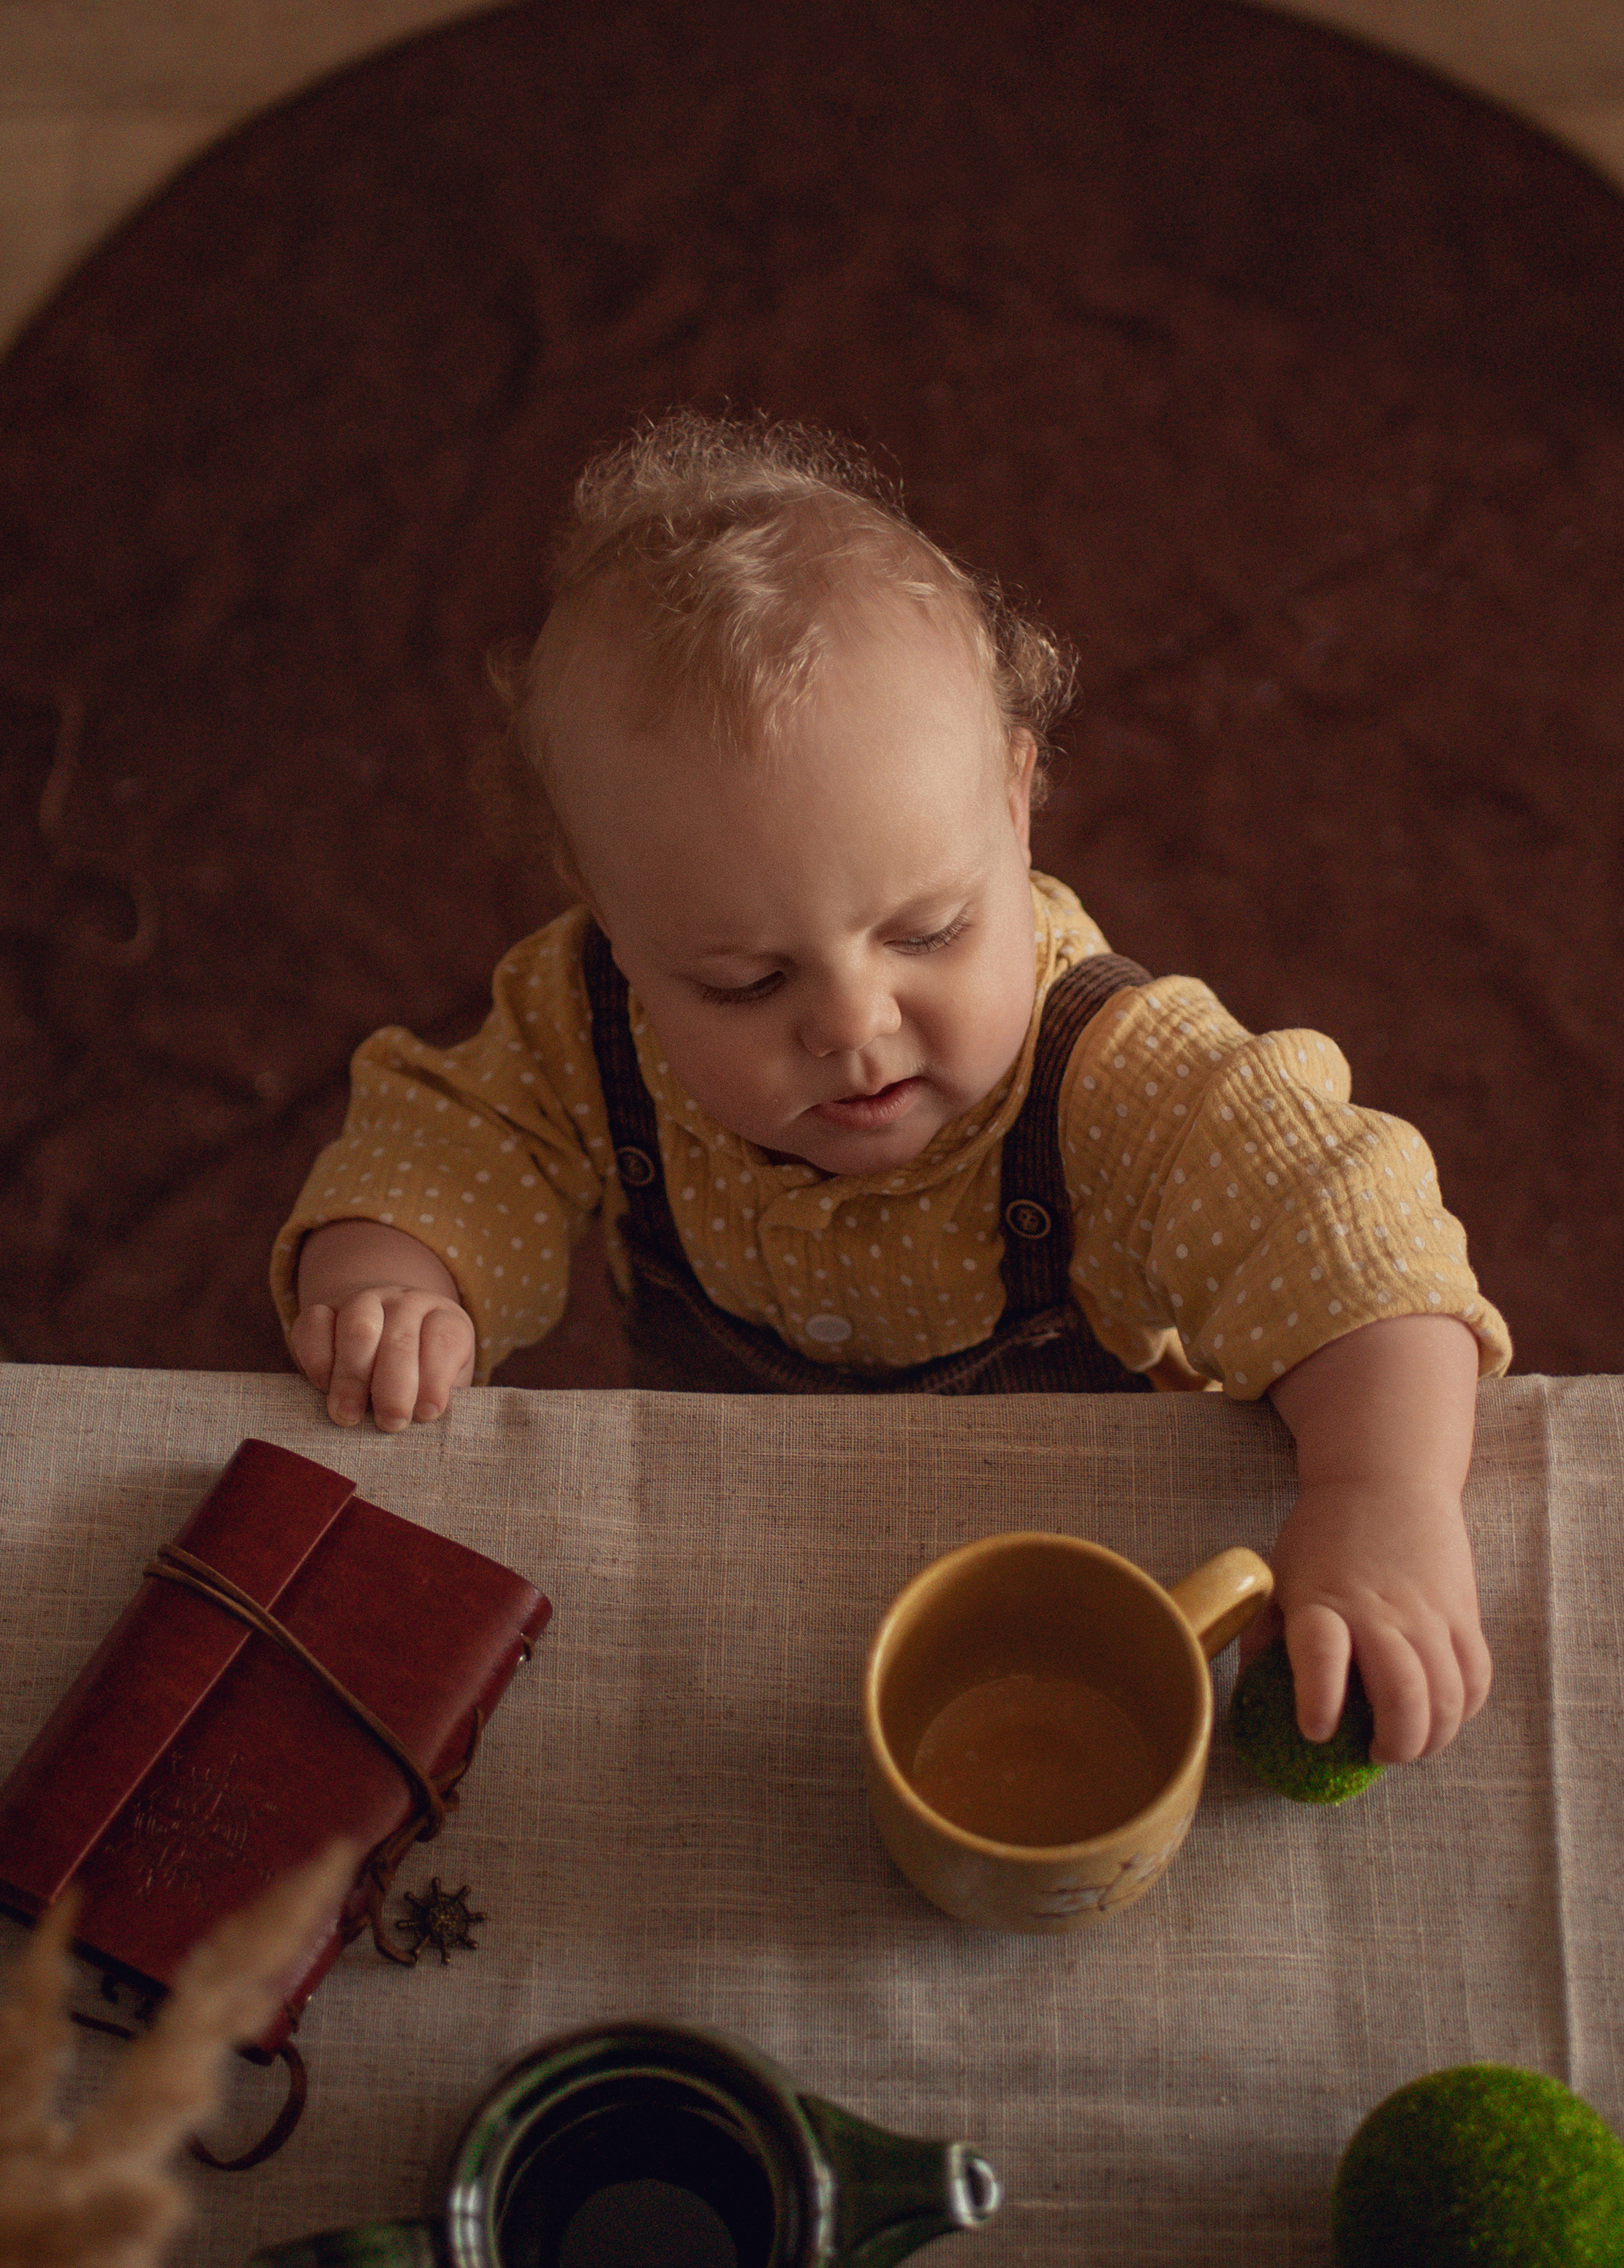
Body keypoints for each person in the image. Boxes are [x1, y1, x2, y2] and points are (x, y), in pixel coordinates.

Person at [271, 413, 1509, 1766]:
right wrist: (397, 1273)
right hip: (735, 1547)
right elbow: (457, 1136)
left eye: (928, 932)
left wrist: (1381, 1493)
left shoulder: (1113, 1077)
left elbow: (1349, 1236)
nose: (856, 1029)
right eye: (746, 982)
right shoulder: (587, 1015)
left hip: (1076, 1579)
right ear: (609, 913)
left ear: (1017, 802)